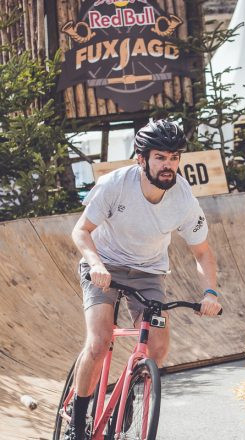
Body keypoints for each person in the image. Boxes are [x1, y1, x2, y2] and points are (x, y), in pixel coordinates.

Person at [66, 119, 222, 440]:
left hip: (148, 273)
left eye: (174, 158)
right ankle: (77, 419)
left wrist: (210, 291)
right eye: (160, 158)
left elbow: (203, 253)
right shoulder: (115, 185)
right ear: (142, 158)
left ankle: (128, 398)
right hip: (103, 266)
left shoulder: (182, 197)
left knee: (159, 347)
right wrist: (95, 263)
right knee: (99, 341)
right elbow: (81, 231)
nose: (168, 166)